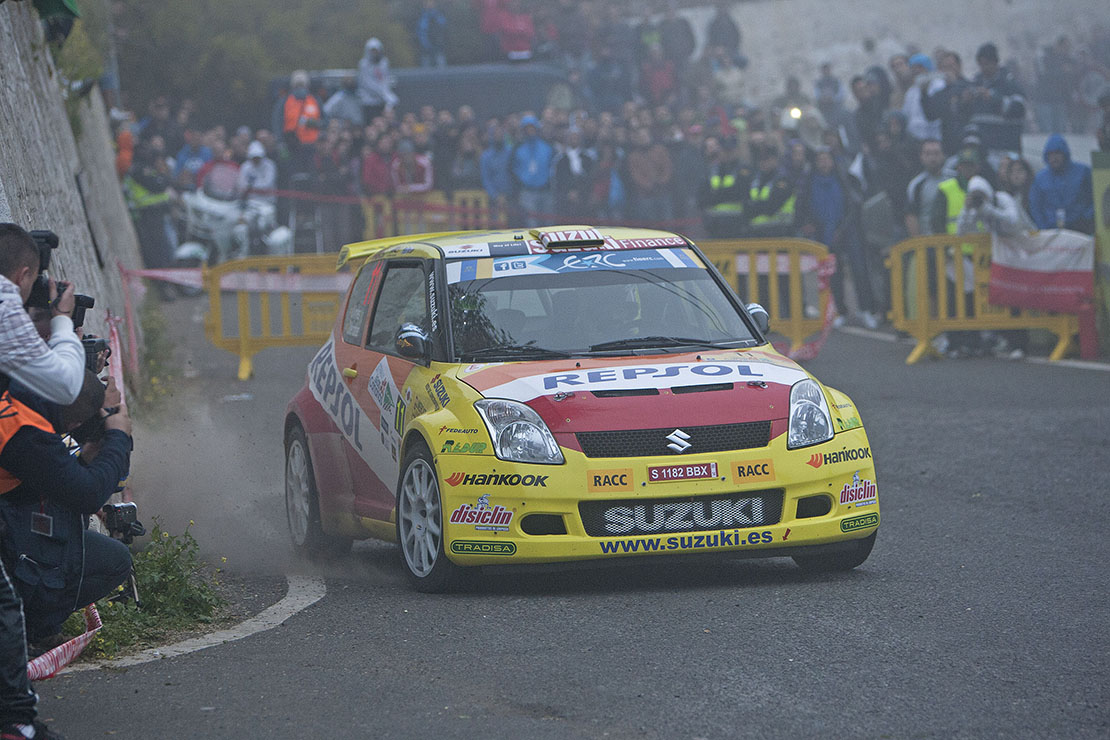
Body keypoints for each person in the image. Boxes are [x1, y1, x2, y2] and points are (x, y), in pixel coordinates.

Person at [0, 372, 133, 647]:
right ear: (73, 421)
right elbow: (87, 495)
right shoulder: (26, 432)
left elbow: (42, 482)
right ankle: (29, 628)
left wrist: (85, 460)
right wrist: (118, 436)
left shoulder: (19, 399)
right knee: (112, 560)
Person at [795, 148, 880, 329]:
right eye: (821, 159)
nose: (824, 163)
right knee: (833, 274)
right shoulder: (809, 182)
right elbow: (803, 206)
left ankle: (867, 310)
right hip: (824, 232)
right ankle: (839, 311)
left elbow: (853, 203)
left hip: (848, 230)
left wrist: (844, 225)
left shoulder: (843, 179)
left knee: (859, 270)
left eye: (827, 159)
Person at [0, 225, 82, 404]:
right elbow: (66, 387)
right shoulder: (5, 311)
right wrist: (62, 318)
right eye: (34, 279)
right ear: (23, 276)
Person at [1028, 134, 1095, 234]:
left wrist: (1086, 217)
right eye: (1051, 154)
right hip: (1051, 230)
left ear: (1065, 153)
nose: (1054, 158)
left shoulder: (1083, 172)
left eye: (1057, 153)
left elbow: (1096, 197)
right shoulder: (1040, 178)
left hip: (1080, 229)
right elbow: (1035, 205)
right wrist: (1043, 227)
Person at [509, 115, 555, 227]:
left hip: (545, 190)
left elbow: (552, 167)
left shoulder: (547, 147)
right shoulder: (518, 149)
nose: (530, 131)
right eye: (527, 128)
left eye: (532, 128)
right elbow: (513, 168)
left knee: (548, 222)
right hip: (527, 191)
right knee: (531, 223)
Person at [280, 70, 322, 175]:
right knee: (294, 174)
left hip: (312, 147)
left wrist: (316, 124)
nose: (300, 89)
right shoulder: (285, 101)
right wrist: (280, 142)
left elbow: (325, 121)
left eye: (302, 85)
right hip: (292, 146)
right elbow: (277, 122)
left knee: (312, 174)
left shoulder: (315, 101)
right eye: (297, 85)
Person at [357, 38, 398, 123]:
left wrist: (385, 93)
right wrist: (381, 92)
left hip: (382, 99)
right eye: (372, 51)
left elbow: (385, 78)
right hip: (369, 100)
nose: (374, 54)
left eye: (376, 51)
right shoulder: (363, 64)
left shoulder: (384, 63)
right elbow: (366, 83)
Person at [416, 0, 448, 68]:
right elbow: (421, 31)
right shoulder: (422, 16)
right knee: (426, 64)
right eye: (427, 3)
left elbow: (444, 25)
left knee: (440, 62)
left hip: (438, 44)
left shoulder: (438, 15)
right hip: (426, 45)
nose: (429, 4)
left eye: (431, 3)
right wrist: (424, 43)